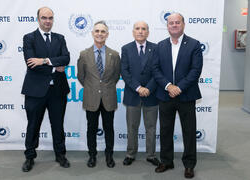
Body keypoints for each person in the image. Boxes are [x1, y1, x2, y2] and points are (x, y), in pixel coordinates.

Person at [153, 13, 203, 178]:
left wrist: (178, 87)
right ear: (167, 26)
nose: (174, 25)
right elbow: (155, 69)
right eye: (171, 23)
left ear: (183, 24)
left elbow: (195, 70)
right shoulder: (159, 46)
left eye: (177, 22)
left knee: (189, 131)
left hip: (186, 95)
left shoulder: (194, 45)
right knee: (165, 130)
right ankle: (166, 161)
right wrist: (168, 86)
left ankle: (189, 165)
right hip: (165, 95)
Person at [21, 7, 70, 172]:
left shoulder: (60, 38)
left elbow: (66, 58)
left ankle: (60, 154)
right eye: (44, 18)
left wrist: (44, 60)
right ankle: (29, 156)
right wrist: (55, 66)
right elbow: (31, 63)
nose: (47, 21)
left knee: (58, 124)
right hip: (35, 91)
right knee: (33, 125)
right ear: (38, 19)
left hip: (58, 90)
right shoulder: (29, 38)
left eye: (50, 18)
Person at [77, 21, 120, 168]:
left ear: (107, 34)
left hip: (108, 97)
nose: (100, 34)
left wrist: (104, 87)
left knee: (109, 128)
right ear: (92, 33)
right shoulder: (84, 54)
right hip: (91, 98)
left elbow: (116, 76)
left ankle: (109, 156)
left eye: (103, 31)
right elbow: (81, 76)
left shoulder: (114, 54)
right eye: (97, 31)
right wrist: (93, 87)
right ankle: (92, 156)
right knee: (91, 129)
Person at [121, 21, 159, 166]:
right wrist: (138, 88)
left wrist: (148, 88)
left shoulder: (156, 48)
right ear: (133, 32)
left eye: (143, 29)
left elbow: (158, 71)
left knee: (151, 127)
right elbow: (124, 72)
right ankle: (130, 154)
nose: (140, 31)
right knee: (132, 127)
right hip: (133, 94)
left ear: (148, 32)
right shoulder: (126, 48)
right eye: (137, 29)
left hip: (152, 94)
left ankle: (151, 155)